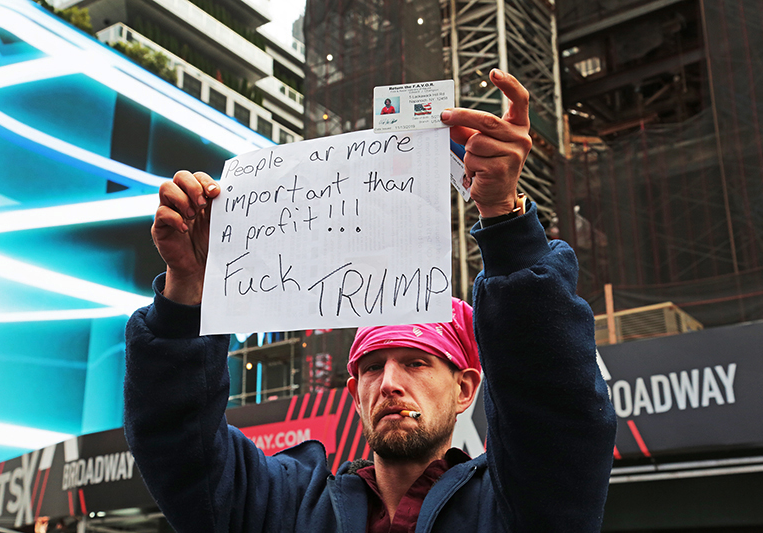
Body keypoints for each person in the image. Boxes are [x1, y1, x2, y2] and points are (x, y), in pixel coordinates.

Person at [124, 69, 617, 532]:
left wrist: (505, 220)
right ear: (354, 387)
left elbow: (554, 400)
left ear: (466, 388)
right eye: (373, 367)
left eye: (418, 363)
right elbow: (179, 447)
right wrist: (188, 291)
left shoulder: (521, 504)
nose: (390, 384)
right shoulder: (286, 508)